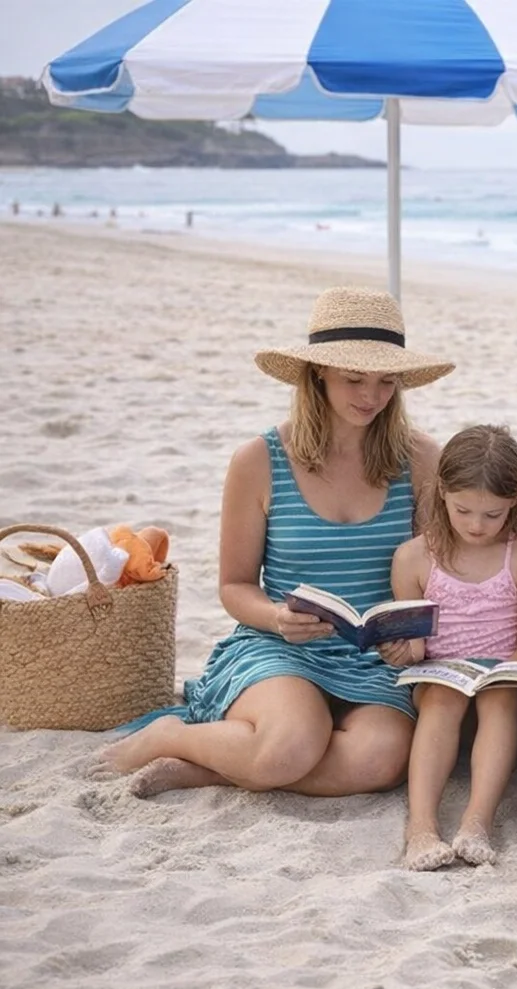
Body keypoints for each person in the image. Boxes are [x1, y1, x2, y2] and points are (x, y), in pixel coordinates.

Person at [97, 287, 453, 798]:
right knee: (290, 743)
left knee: (382, 759)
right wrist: (276, 619)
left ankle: (208, 767)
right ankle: (170, 736)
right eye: (354, 378)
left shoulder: (420, 458)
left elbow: (436, 575)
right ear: (318, 374)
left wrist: (412, 636)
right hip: (279, 645)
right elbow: (235, 586)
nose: (371, 396)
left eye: (386, 382)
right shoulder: (259, 460)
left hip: (375, 657)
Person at [381, 425, 517, 871]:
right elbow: (416, 644)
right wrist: (403, 651)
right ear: (442, 494)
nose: (477, 525)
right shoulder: (414, 558)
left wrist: (510, 672)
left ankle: (477, 823)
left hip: (503, 671)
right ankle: (421, 829)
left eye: (493, 514)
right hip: (440, 674)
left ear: (514, 501)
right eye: (464, 511)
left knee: (498, 701)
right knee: (441, 701)